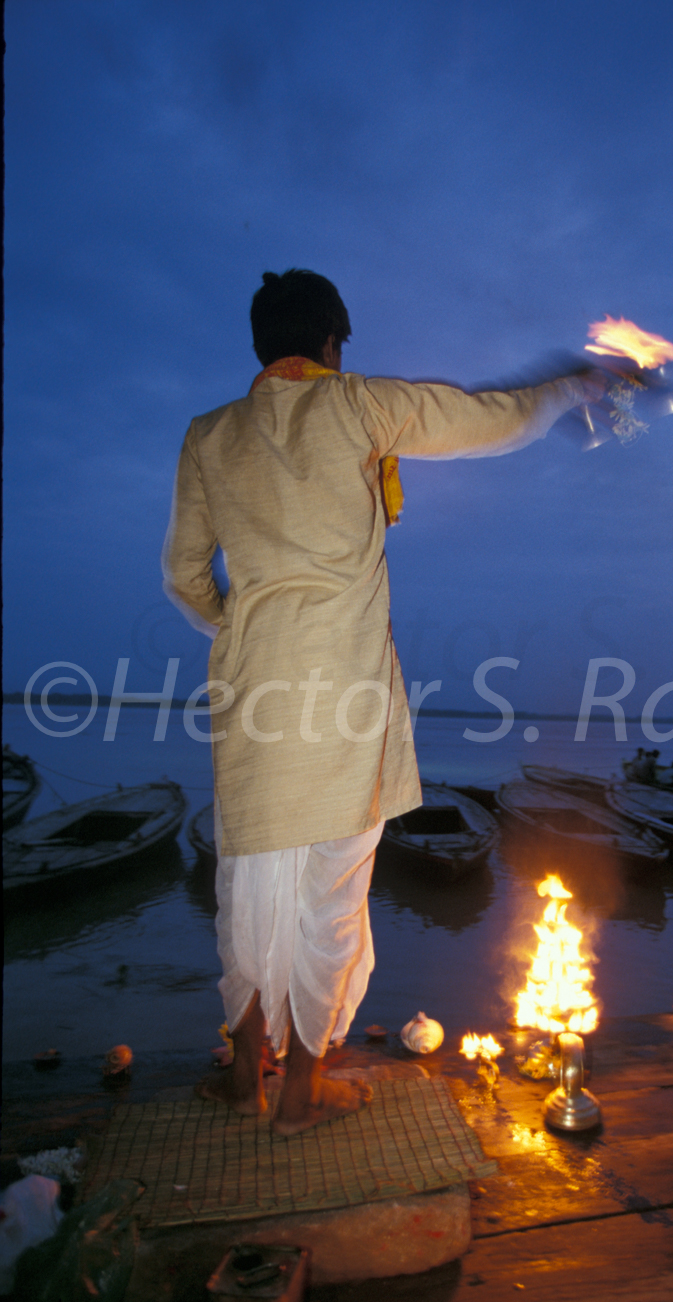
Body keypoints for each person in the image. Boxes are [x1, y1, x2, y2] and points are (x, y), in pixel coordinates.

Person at [163, 268, 602, 1135]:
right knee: (331, 897)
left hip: (255, 689)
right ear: (331, 346)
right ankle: (303, 1094)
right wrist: (573, 385)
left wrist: (242, 630)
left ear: (261, 346)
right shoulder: (360, 405)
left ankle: (246, 1072)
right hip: (346, 692)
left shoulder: (208, 435)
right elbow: (497, 420)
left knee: (247, 884)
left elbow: (181, 574)